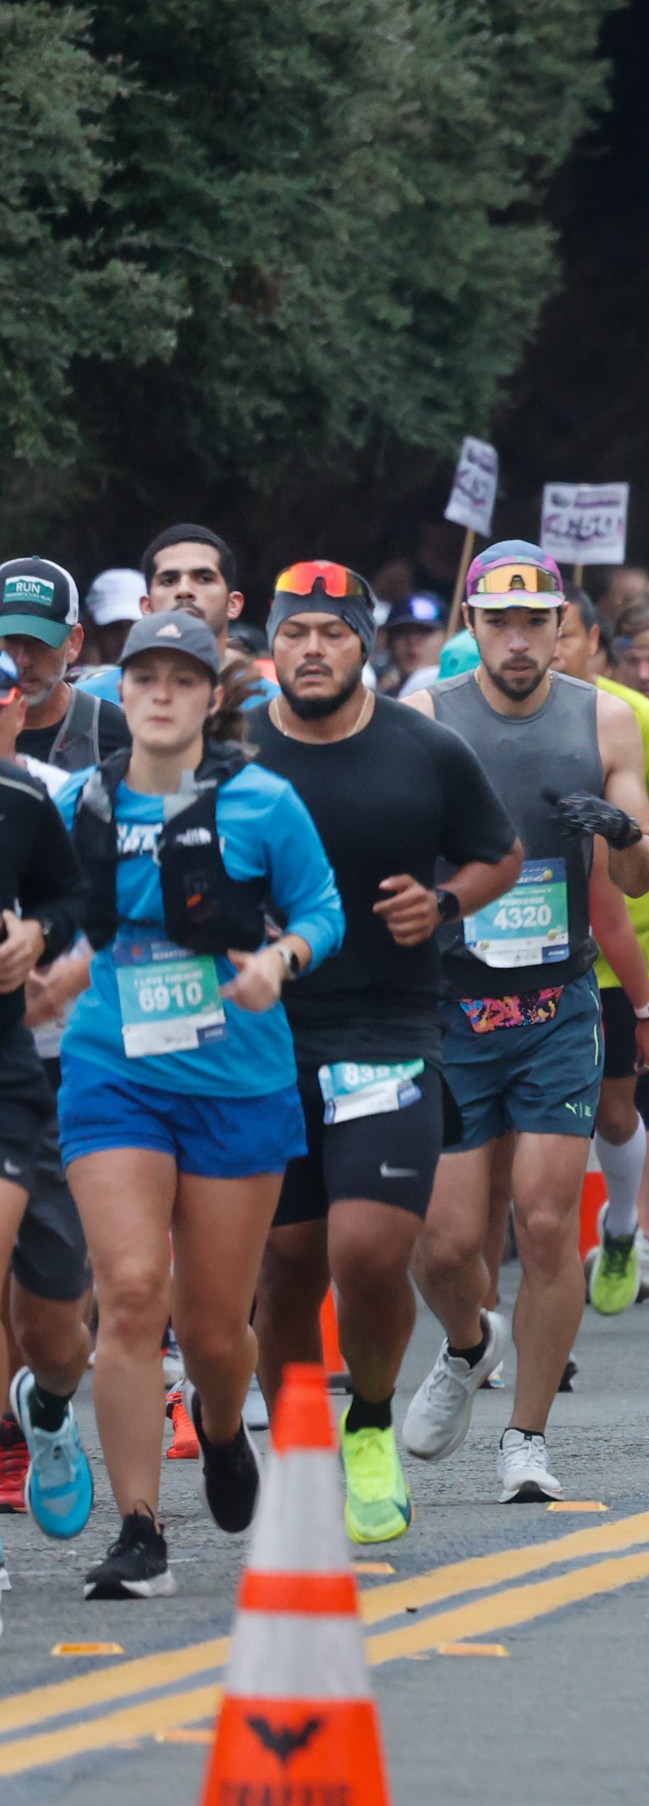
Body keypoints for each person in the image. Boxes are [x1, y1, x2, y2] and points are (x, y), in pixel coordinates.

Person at [53, 611, 342, 1597]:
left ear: (213, 696)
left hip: (237, 1078)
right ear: (121, 691)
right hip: (112, 1069)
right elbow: (46, 907)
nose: (164, 692)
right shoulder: (79, 802)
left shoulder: (262, 802)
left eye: (185, 677)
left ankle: (223, 1429)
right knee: (131, 1291)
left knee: (215, 1324)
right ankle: (139, 1531)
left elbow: (323, 911)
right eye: (146, 677)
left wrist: (279, 957)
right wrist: (39, 959)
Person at [245, 563, 521, 1542]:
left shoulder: (425, 748)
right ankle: (298, 1448)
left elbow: (500, 851)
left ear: (363, 643)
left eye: (331, 631)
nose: (311, 648)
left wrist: (445, 903)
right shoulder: (231, 749)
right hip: (262, 1042)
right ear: (269, 644)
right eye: (294, 632)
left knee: (369, 1251)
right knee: (284, 1271)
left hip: (389, 1031)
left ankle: (366, 1420)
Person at [399, 542, 649, 1501]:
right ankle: (469, 1345)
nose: (517, 642)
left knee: (548, 1221)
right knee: (443, 1244)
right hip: (453, 1005)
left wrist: (625, 834)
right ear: (471, 627)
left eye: (534, 623)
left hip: (557, 1003)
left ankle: (527, 1438)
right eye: (498, 622)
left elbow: (640, 877)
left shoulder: (607, 719)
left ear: (563, 629)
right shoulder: (426, 716)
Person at [551, 591, 649, 1316]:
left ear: (593, 644)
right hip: (518, 964)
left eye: (558, 632)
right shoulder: (473, 721)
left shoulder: (632, 719)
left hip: (622, 946)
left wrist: (624, 826)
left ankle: (624, 1228)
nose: (541, 648)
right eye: (518, 627)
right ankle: (541, 1269)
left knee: (615, 1111)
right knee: (533, 1128)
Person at [0, 650, 91, 1618]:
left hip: (16, 1071)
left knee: (58, 1332)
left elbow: (77, 903)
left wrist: (37, 938)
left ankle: (51, 1410)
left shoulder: (31, 800)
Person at [76, 525, 279, 708]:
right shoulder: (89, 703)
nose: (184, 591)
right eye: (169, 580)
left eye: (204, 578)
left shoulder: (275, 707)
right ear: (146, 606)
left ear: (233, 604)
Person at [0, 557, 131, 772]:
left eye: (39, 642)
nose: (23, 660)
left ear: (74, 642)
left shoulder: (113, 734)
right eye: (11, 640)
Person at [379, 591, 447, 697]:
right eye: (402, 632)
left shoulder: (461, 697)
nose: (412, 640)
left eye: (425, 631)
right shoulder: (376, 700)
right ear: (388, 642)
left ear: (448, 637)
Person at [84, 568, 145, 669]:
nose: (125, 639)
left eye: (135, 626)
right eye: (114, 627)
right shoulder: (72, 681)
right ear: (91, 629)